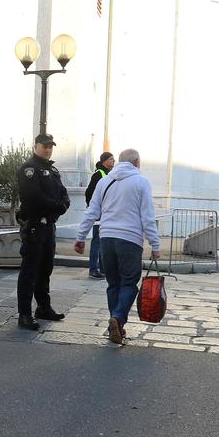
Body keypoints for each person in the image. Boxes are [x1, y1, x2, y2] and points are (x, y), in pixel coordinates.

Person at [74, 148, 161, 345]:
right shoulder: (141, 182)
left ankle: (116, 325)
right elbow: (147, 217)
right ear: (137, 162)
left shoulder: (105, 181)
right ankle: (118, 318)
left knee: (113, 284)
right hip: (130, 240)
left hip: (106, 238)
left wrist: (81, 237)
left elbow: (92, 211)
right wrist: (155, 244)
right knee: (129, 283)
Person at [15, 133, 70, 331]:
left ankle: (43, 307)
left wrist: (63, 205)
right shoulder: (29, 169)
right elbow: (34, 197)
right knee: (29, 271)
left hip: (49, 226)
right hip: (35, 225)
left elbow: (63, 193)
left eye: (50, 147)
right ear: (36, 146)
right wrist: (57, 206)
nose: (48, 150)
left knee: (46, 268)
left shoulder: (52, 169)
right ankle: (24, 314)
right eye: (44, 146)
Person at [85, 151, 115, 279]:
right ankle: (93, 269)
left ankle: (103, 268)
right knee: (97, 241)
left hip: (106, 213)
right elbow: (89, 193)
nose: (114, 161)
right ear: (104, 161)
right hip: (99, 213)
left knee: (104, 241)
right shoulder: (98, 174)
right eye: (111, 159)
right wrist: (94, 208)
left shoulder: (108, 174)